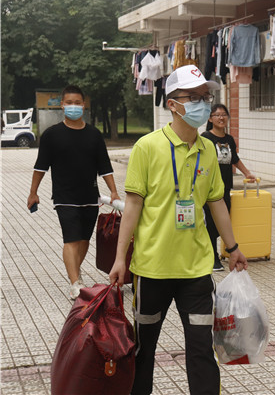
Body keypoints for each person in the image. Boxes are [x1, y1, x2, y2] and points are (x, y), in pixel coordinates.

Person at [109, 64, 248, 395]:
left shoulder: (208, 150)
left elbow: (217, 203)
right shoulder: (147, 147)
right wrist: (119, 259)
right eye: (194, 97)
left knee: (202, 352)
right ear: (172, 104)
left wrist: (232, 248)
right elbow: (133, 206)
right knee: (143, 352)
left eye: (205, 96)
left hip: (196, 270)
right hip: (151, 269)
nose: (203, 103)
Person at [26, 85, 120, 299]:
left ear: (84, 105)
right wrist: (33, 193)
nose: (73, 106)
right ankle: (75, 282)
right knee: (71, 238)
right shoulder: (52, 135)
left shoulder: (94, 135)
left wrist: (113, 191)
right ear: (62, 105)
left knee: (84, 239)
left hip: (89, 196)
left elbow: (105, 166)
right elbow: (40, 166)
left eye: (77, 103)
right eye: (69, 103)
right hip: (64, 197)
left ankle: (75, 274)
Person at [202, 103, 256, 271]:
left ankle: (218, 251)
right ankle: (212, 258)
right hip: (209, 189)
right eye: (217, 115)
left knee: (223, 221)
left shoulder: (229, 139)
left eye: (224, 114)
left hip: (225, 187)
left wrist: (247, 173)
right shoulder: (206, 138)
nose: (221, 118)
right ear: (210, 118)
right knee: (211, 223)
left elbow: (235, 159)